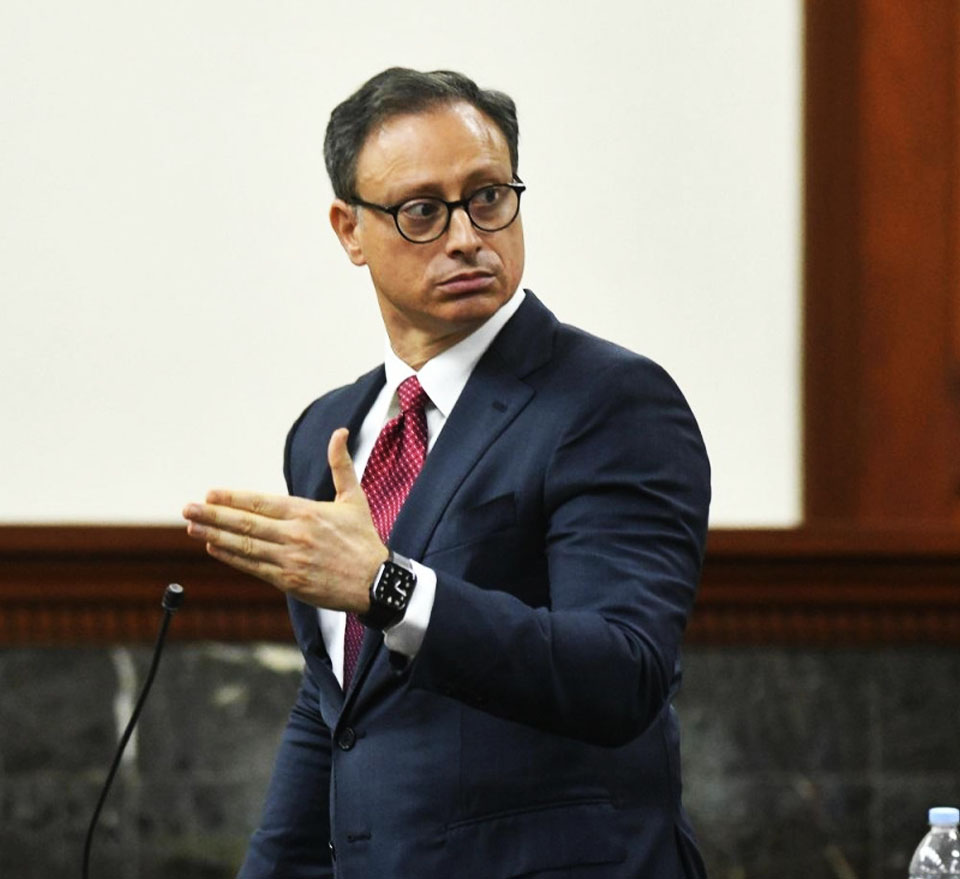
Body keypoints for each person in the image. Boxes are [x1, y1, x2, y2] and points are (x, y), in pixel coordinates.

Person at [183, 67, 711, 879]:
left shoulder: (609, 400)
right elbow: (337, 707)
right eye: (423, 211)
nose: (467, 236)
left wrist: (388, 588)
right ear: (350, 230)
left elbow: (620, 671)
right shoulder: (327, 435)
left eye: (489, 198)